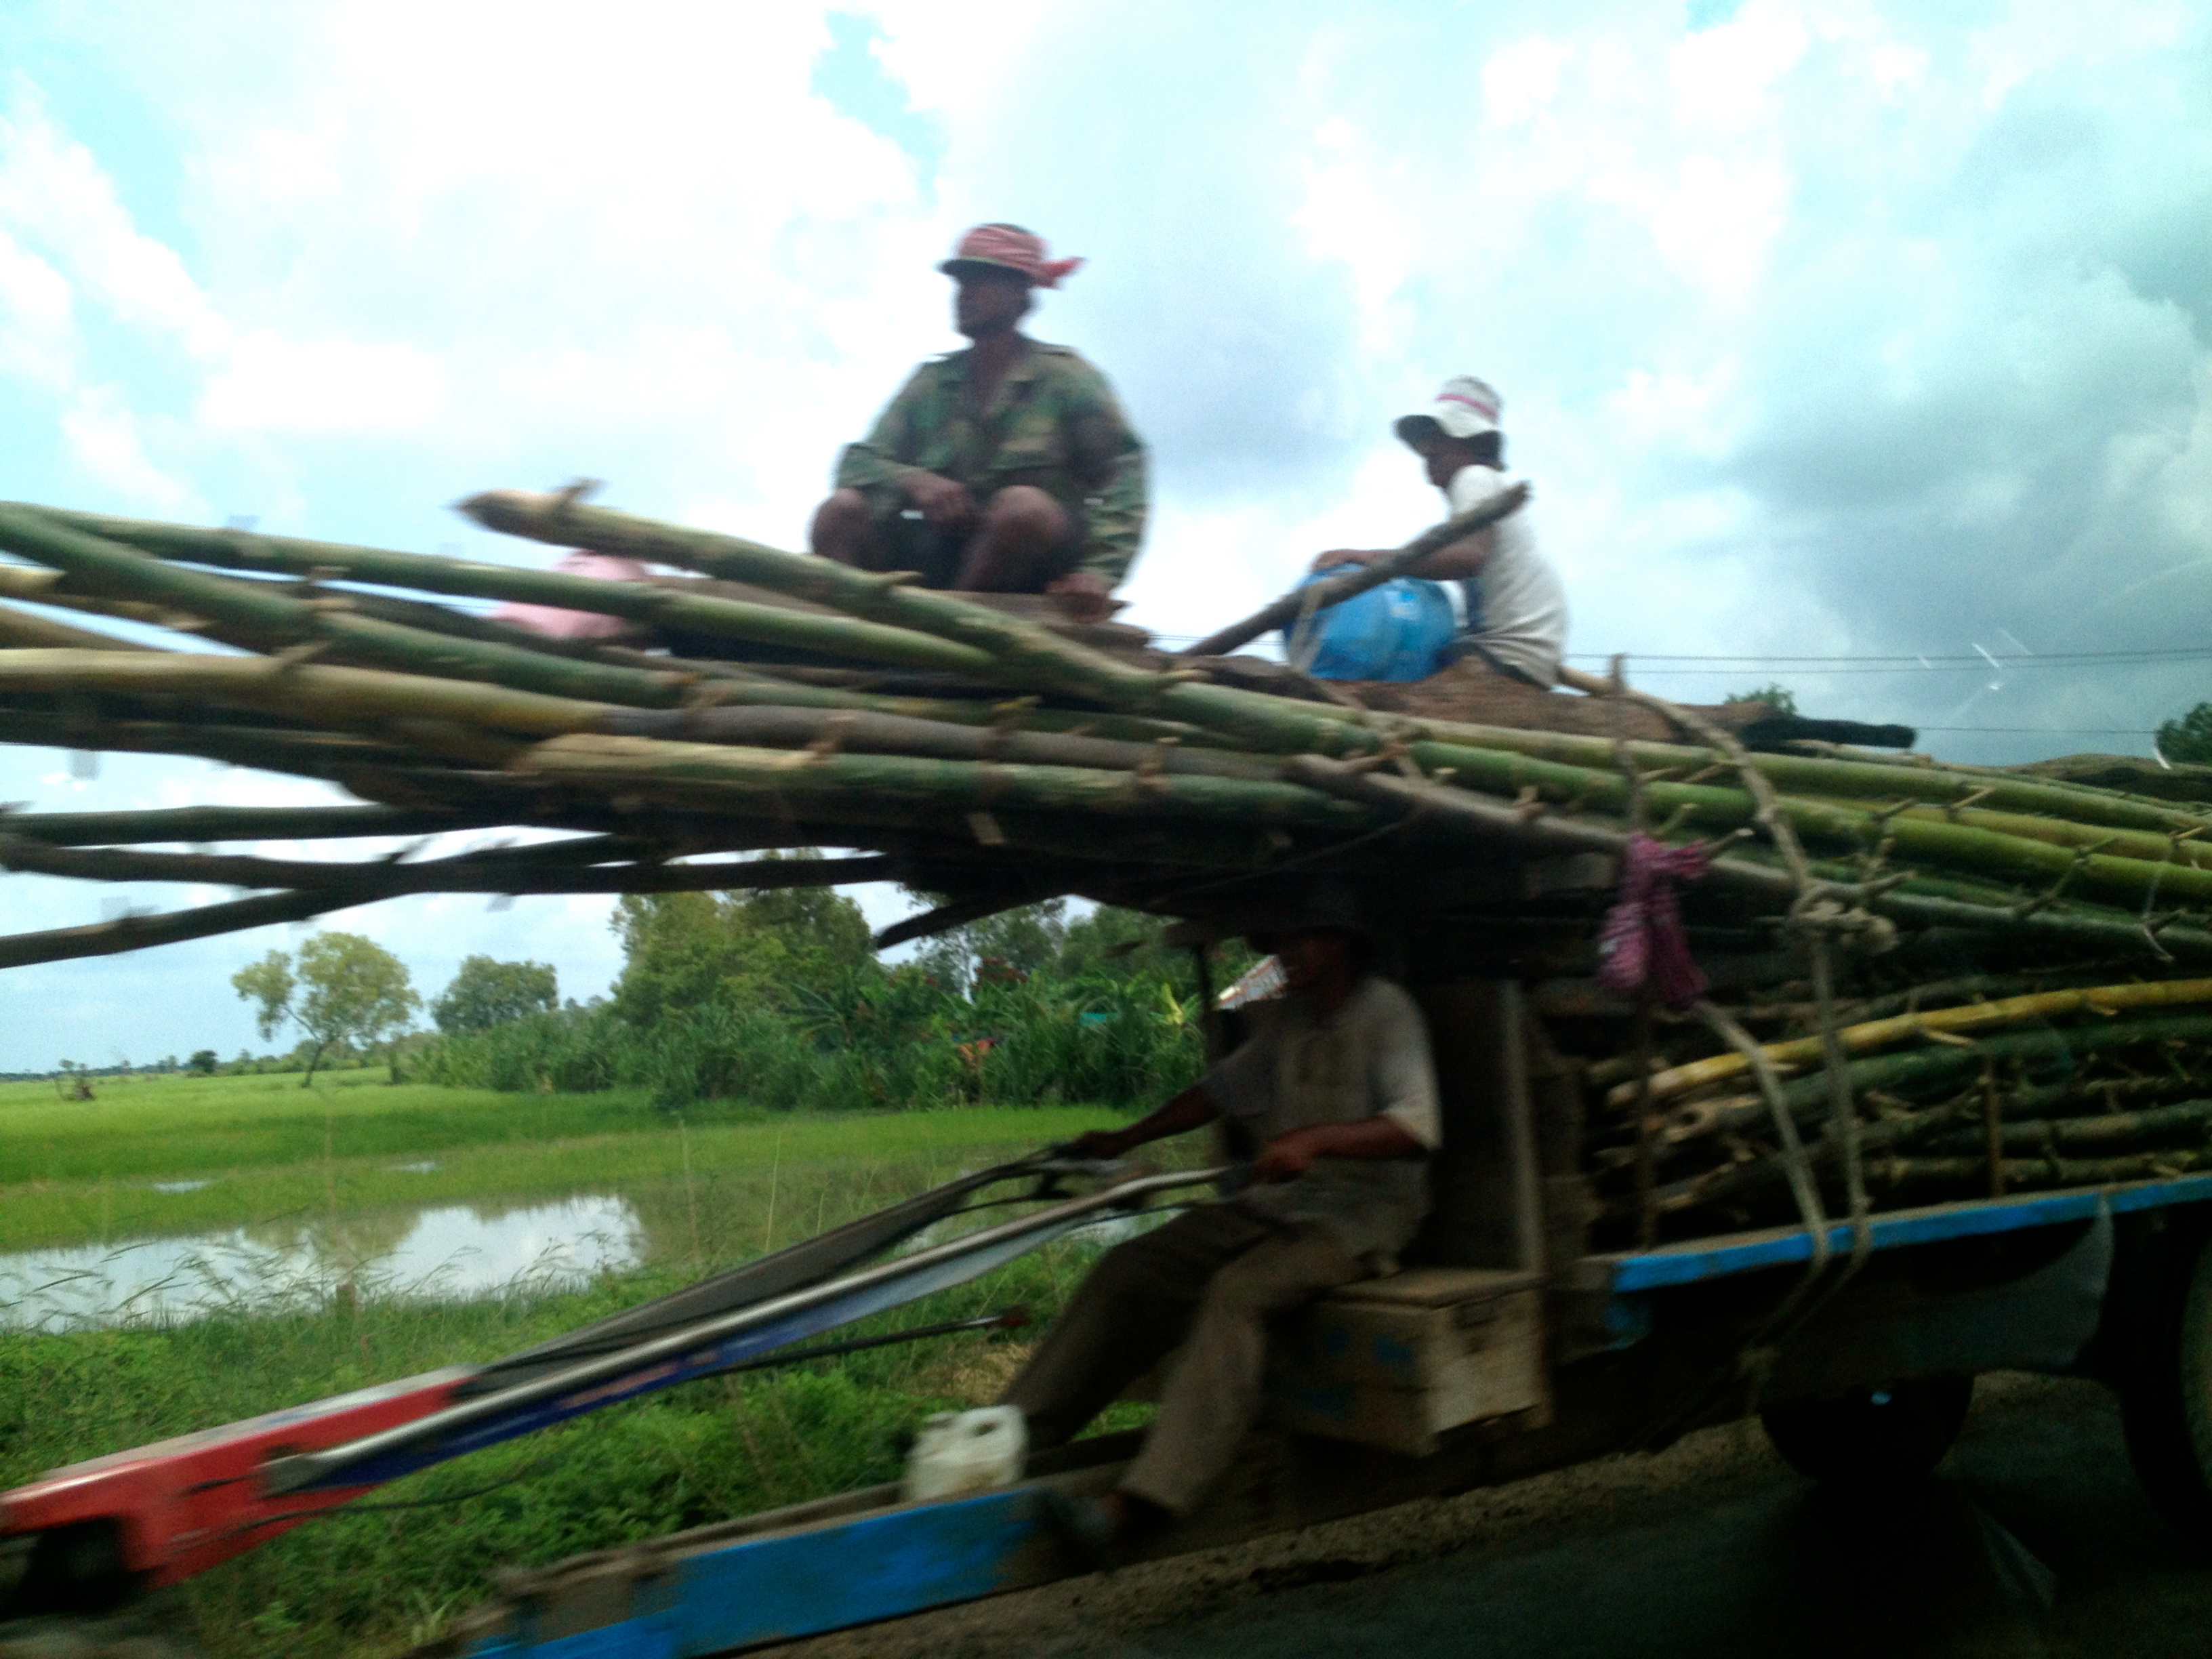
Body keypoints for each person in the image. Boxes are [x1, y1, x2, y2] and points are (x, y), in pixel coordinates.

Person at [1000, 886, 1439, 1556]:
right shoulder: (1290, 1020)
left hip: (1358, 1224)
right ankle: (1011, 1437)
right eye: (1281, 942)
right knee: (1131, 1267)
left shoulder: (1388, 1014)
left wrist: (1313, 1141)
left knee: (1239, 1293)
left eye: (1301, 939)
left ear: (1342, 944)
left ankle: (1141, 1504)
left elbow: (1416, 1128)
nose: (1286, 953)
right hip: (1277, 1204)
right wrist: (1124, 1138)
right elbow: (1216, 1093)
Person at [811, 224, 1147, 623]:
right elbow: (856, 465)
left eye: (979, 281)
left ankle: (951, 630)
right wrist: (915, 481)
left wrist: (1099, 573)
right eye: (960, 283)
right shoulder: (932, 384)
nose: (963, 295)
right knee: (840, 510)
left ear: (1018, 291)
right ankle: (858, 629)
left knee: (1022, 509)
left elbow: (1123, 476)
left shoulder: (1066, 379)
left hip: (1033, 570)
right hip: (938, 562)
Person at [1310, 375, 1568, 687]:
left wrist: (1368, 558)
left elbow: (1467, 558)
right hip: (1530, 654)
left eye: (1441, 437)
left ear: (1478, 445)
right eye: (1426, 439)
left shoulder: (1474, 477)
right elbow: (1434, 547)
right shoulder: (1483, 493)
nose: (1429, 449)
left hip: (1507, 655)